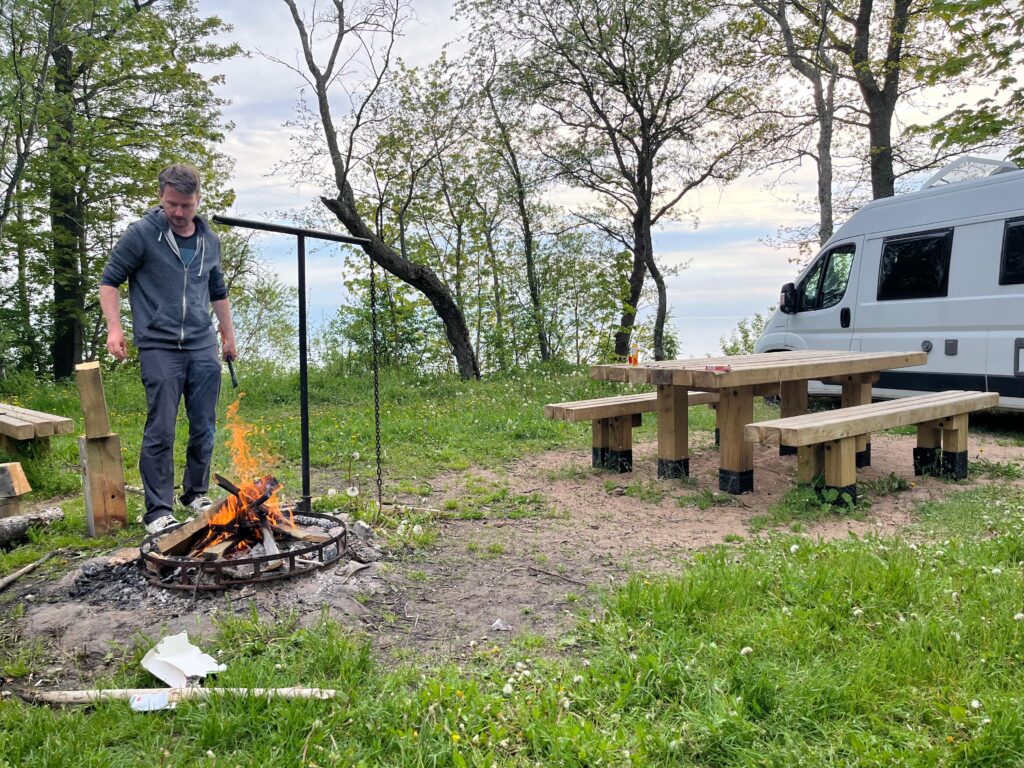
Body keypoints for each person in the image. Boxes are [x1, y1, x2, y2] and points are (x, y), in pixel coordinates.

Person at [99, 163, 237, 534]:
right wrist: (115, 328)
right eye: (171, 203)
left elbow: (217, 290)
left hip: (202, 342)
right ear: (161, 197)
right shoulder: (142, 234)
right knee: (161, 428)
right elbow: (110, 281)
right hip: (159, 344)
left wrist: (228, 335)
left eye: (186, 205)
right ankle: (158, 510)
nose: (178, 212)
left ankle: (195, 493)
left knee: (204, 425)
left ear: (198, 200)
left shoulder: (210, 240)